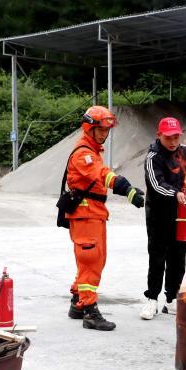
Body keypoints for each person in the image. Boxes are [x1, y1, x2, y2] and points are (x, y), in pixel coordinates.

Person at [66, 105, 145, 331]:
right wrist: (126, 188)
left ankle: (78, 302)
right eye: (100, 129)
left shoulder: (91, 151)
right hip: (86, 215)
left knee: (91, 260)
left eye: (106, 130)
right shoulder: (83, 154)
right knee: (91, 261)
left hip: (92, 213)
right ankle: (90, 311)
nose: (104, 134)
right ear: (89, 128)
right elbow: (102, 175)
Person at [139, 117, 186, 320]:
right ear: (159, 135)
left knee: (178, 258)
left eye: (176, 137)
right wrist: (175, 193)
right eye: (168, 137)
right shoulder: (153, 157)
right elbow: (156, 184)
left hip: (182, 214)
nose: (172, 142)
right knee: (157, 257)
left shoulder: (184, 152)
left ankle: (171, 299)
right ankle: (152, 299)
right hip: (159, 214)